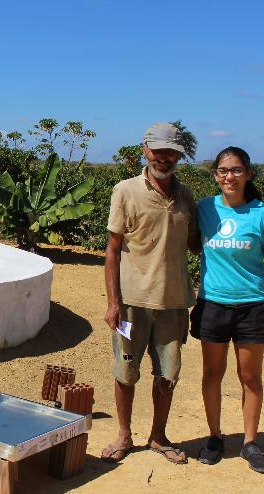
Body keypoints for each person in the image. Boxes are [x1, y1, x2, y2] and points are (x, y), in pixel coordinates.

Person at [101, 123, 199, 465]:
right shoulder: (125, 191)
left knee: (168, 375)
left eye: (172, 152)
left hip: (172, 306)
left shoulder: (186, 197)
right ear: (145, 149)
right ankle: (124, 435)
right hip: (130, 306)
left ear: (179, 156)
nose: (164, 157)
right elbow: (112, 251)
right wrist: (113, 303)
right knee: (126, 370)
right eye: (158, 150)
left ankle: (158, 437)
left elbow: (199, 245)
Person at [191, 146, 264, 474]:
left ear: (248, 173)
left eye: (235, 170)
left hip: (253, 306)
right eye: (223, 171)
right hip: (213, 304)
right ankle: (215, 437)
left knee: (250, 376)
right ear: (215, 175)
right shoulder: (205, 208)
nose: (229, 176)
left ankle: (249, 442)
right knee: (212, 374)